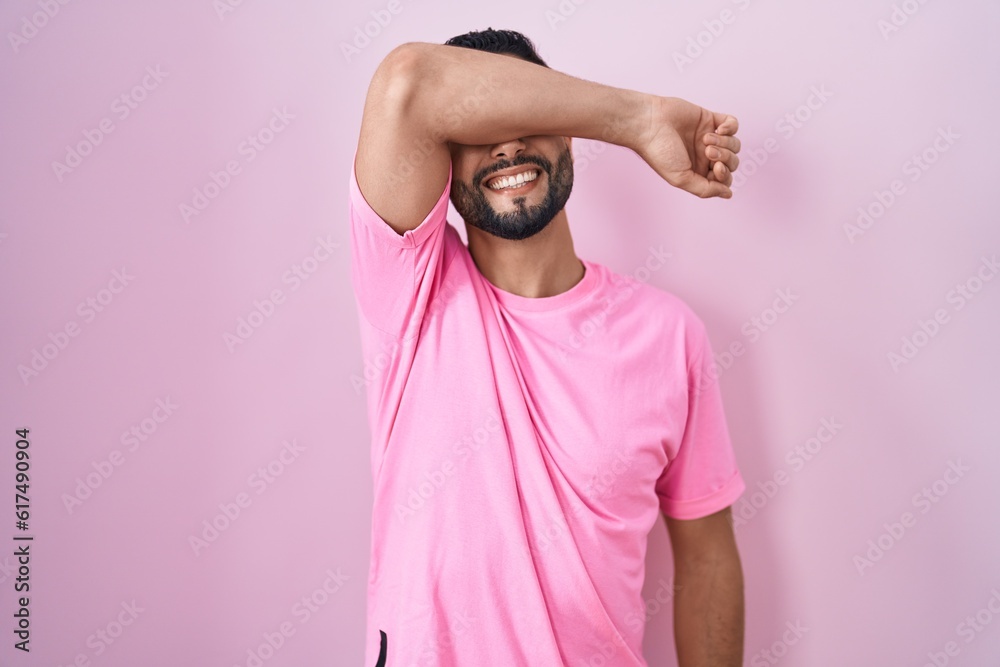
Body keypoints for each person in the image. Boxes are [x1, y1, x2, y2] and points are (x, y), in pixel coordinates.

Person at [348, 27, 745, 667]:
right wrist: (637, 119)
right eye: (480, 125)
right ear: (445, 162)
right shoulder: (407, 290)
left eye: (532, 115)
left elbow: (707, 557)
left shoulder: (670, 335)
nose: (508, 143)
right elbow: (409, 83)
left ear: (566, 132)